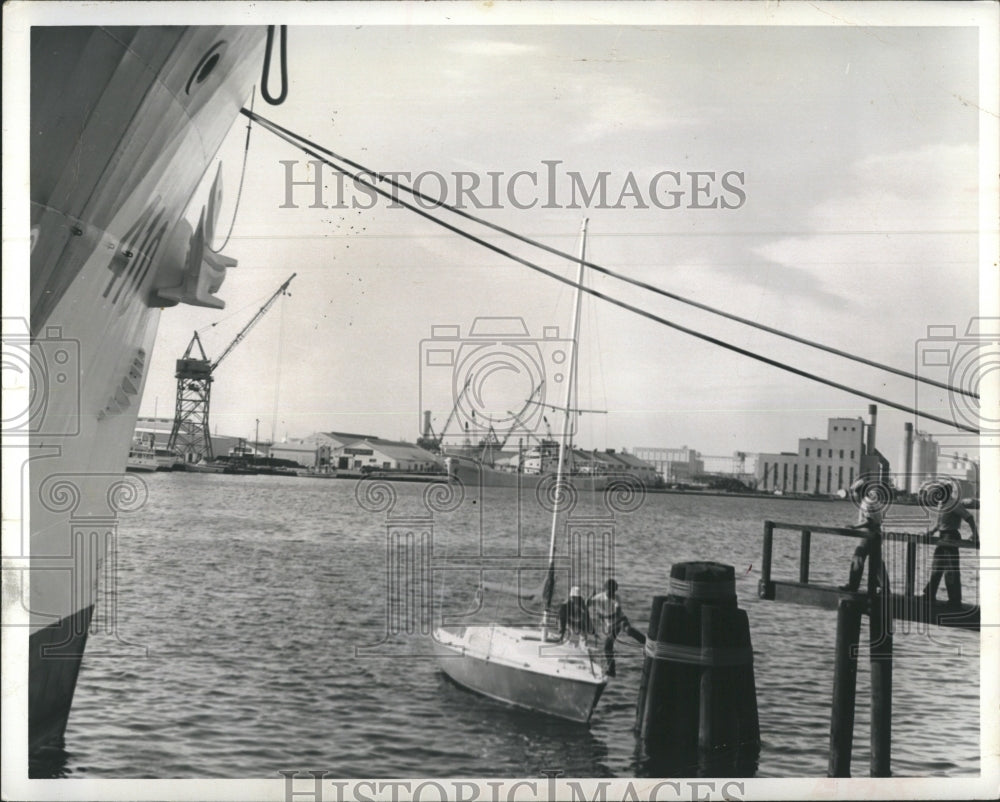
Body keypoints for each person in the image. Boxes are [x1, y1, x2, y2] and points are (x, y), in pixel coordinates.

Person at [923, 481, 979, 605]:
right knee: (936, 567)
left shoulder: (953, 504)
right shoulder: (941, 504)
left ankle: (954, 600)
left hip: (951, 536)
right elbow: (939, 523)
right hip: (942, 536)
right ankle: (929, 594)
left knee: (951, 569)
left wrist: (975, 534)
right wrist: (931, 532)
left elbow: (969, 517)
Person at [587, 579, 646, 677]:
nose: (611, 594)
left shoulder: (616, 598)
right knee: (608, 646)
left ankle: (645, 642)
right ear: (605, 589)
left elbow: (617, 613)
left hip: (619, 622)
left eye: (613, 591)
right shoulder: (599, 598)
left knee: (627, 629)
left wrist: (604, 617)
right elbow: (587, 604)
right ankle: (612, 670)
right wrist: (590, 596)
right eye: (609, 591)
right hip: (610, 626)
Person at [839, 478, 889, 593]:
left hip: (868, 533)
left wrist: (854, 527)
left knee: (858, 558)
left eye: (855, 493)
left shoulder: (865, 503)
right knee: (876, 562)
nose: (854, 496)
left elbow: (869, 520)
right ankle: (885, 587)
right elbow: (880, 519)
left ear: (859, 491)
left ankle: (853, 585)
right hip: (877, 533)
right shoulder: (874, 500)